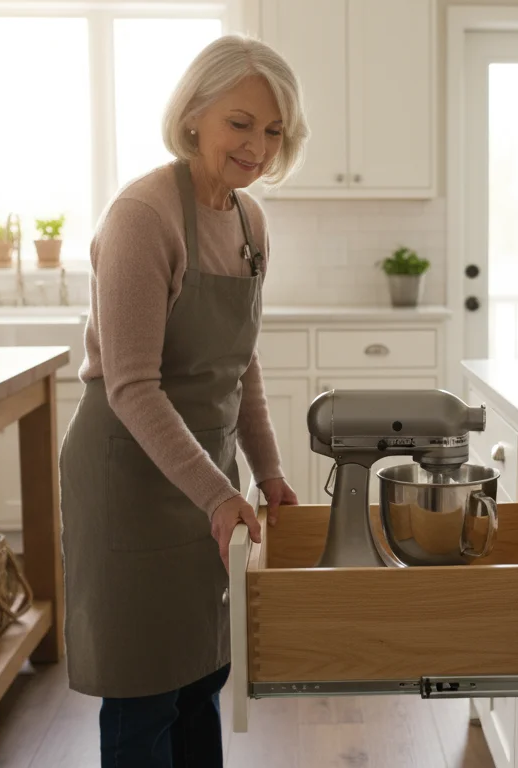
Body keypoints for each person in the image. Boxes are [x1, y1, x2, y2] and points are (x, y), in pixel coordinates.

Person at [58, 34, 308, 767]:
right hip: (132, 476)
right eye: (241, 122)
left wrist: (267, 474)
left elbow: (240, 362)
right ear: (194, 114)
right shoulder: (143, 216)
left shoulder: (247, 221)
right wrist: (217, 493)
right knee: (144, 693)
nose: (257, 145)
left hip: (209, 481)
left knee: (203, 675)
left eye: (272, 130)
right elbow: (132, 384)